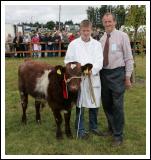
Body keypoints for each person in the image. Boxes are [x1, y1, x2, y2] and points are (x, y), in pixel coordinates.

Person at [64, 20, 104, 139]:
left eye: (88, 30)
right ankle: (80, 128)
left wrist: (91, 70)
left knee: (94, 102)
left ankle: (93, 126)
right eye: (83, 30)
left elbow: (99, 61)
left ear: (91, 30)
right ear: (80, 30)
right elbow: (67, 60)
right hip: (78, 78)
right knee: (80, 104)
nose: (86, 33)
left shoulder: (97, 44)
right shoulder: (73, 44)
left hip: (93, 77)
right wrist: (77, 68)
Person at [100, 12, 134, 146]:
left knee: (117, 106)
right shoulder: (102, 39)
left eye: (110, 21)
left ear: (115, 22)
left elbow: (128, 58)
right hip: (104, 74)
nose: (108, 24)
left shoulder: (122, 36)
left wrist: (127, 77)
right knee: (107, 104)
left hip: (118, 73)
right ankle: (111, 128)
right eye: (105, 22)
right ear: (103, 23)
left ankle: (118, 136)